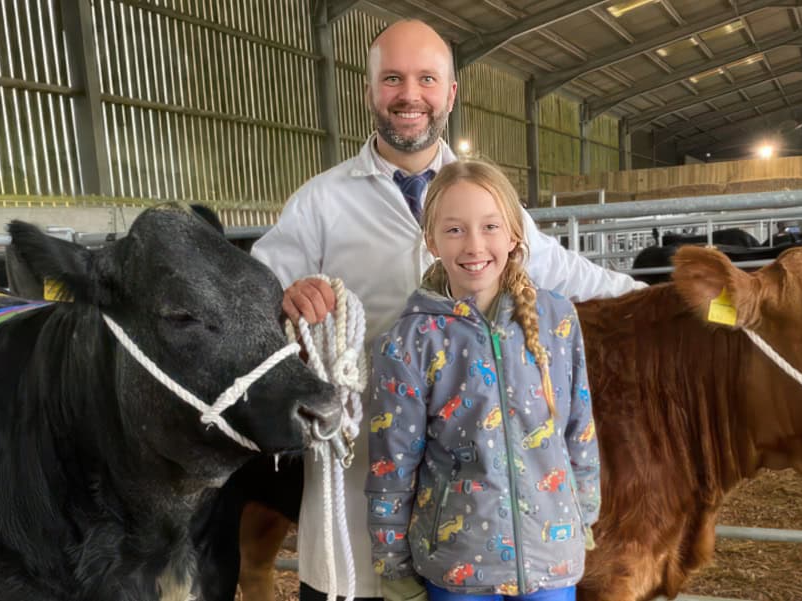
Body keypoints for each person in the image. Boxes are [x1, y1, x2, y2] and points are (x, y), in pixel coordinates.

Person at [250, 19, 641, 601]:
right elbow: (253, 292)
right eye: (393, 79)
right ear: (370, 90)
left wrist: (678, 299)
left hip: (473, 532)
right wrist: (285, 298)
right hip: (362, 499)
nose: (410, 95)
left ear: (450, 93)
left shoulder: (487, 196)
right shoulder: (319, 202)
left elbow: (575, 276)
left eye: (427, 78)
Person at [366, 160, 599, 601]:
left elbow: (579, 428)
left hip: (551, 558)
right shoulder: (409, 342)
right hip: (457, 567)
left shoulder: (558, 319)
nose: (474, 245)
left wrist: (582, 514)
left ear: (513, 235)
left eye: (490, 226)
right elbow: (392, 461)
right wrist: (391, 561)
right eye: (454, 230)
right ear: (431, 240)